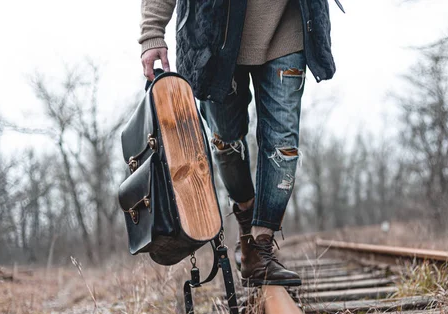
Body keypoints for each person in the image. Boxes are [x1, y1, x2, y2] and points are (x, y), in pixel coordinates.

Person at [139, 0, 338, 287]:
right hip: (215, 36)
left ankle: (260, 247)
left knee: (283, 146)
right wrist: (152, 34)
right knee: (225, 142)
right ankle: (246, 221)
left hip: (289, 30)